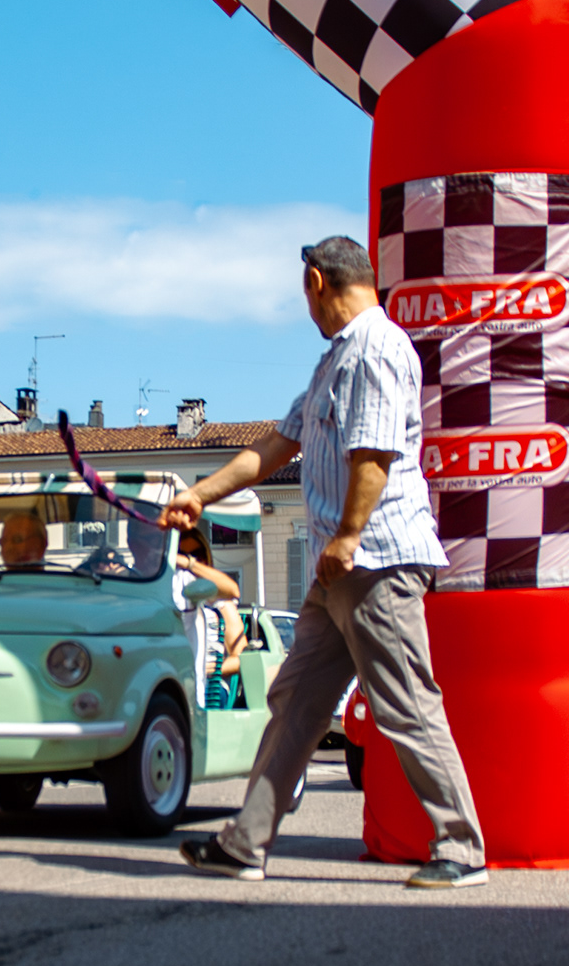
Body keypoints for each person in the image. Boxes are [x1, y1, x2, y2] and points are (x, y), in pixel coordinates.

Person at [164, 233, 486, 891]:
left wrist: (347, 536)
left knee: (406, 703)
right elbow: (275, 447)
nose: (306, 307)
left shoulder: (376, 348)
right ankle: (245, 843)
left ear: (317, 281)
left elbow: (374, 455)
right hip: (336, 572)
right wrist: (200, 495)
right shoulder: (333, 361)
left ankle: (463, 848)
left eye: (304, 294)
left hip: (375, 560)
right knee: (295, 703)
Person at [175, 524, 248, 693]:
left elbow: (240, 657)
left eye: (197, 555)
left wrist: (211, 669)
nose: (190, 560)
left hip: (211, 685)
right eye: (182, 554)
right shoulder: (169, 592)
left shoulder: (220, 601)